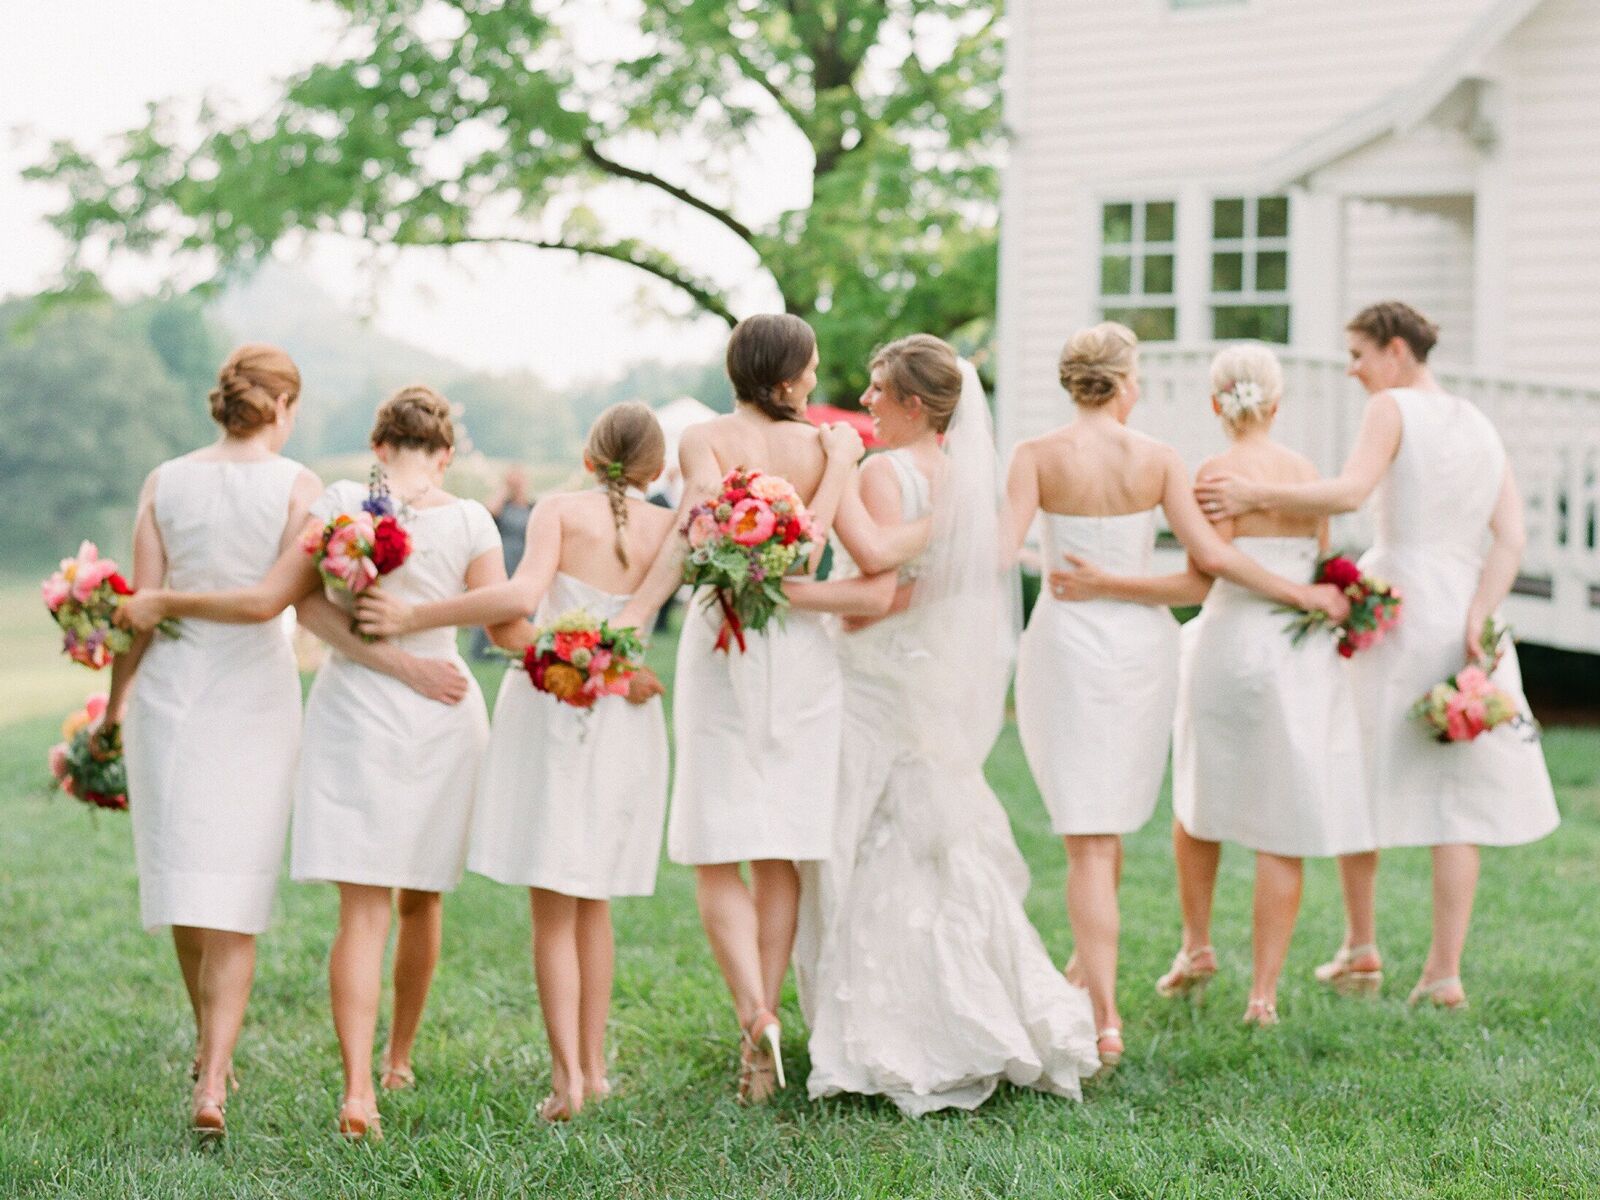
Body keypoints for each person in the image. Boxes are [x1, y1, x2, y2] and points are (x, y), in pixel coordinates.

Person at [120, 385, 501, 1139]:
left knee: (360, 914)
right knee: (420, 899)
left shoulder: (338, 501)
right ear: (448, 454)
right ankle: (397, 1058)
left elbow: (305, 606)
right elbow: (499, 610)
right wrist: (418, 653)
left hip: (356, 703)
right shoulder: (472, 518)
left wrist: (390, 652)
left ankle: (359, 1090)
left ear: (376, 444)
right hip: (440, 703)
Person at [1193, 301, 1559, 1008]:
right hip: (1463, 607)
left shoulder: (1391, 407)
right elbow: (1510, 537)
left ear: (1395, 350)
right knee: (1456, 794)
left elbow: (1352, 492)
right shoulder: (1479, 421)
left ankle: (1362, 948)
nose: (1353, 369)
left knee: (1357, 768)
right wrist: (1480, 615)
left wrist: (1255, 491)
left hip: (1398, 604)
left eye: (1357, 353)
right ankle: (1441, 973)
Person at [1010, 322, 1349, 1064]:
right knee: (1137, 823)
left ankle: (1127, 994)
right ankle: (1159, 985)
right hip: (1164, 645)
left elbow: (1004, 554)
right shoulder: (1170, 460)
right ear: (1125, 382)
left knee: (1112, 827)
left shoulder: (1040, 457)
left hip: (1086, 638)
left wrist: (1084, 577)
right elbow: (1209, 571)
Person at [608, 314, 927, 1103]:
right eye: (813, 369)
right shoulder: (829, 446)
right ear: (786, 378)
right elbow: (826, 543)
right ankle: (764, 1031)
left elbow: (697, 529)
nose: (819, 381)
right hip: (802, 645)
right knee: (779, 847)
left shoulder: (706, 438)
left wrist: (643, 610)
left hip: (726, 638)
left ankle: (755, 1023)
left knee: (720, 847)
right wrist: (847, 462)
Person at [787, 334, 1101, 1115]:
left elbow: (870, 575)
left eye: (876, 390)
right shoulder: (965, 477)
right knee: (934, 841)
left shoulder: (882, 472)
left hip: (874, 676)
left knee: (866, 835)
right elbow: (942, 583)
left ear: (913, 405)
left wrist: (783, 591)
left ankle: (891, 1020)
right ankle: (979, 1000)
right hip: (920, 675)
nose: (864, 403)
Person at [354, 402, 674, 1122]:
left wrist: (418, 617)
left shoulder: (559, 509)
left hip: (553, 704)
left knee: (552, 910)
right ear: (656, 470)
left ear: (590, 458)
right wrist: (615, 671)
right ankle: (595, 1070)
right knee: (595, 901)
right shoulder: (671, 527)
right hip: (624, 712)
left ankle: (565, 1084)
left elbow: (517, 609)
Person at [471, 465, 535, 658]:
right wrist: (504, 490)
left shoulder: (532, 507)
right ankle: (485, 650)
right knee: (494, 599)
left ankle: (519, 646)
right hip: (502, 559)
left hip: (523, 560)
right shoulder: (501, 506)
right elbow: (486, 515)